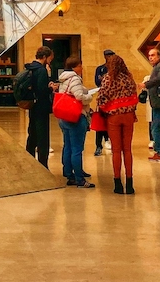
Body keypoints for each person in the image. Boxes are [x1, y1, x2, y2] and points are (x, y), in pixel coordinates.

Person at [96, 53, 140, 194]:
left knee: (116, 150)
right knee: (127, 150)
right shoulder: (129, 78)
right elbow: (134, 95)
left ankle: (117, 184)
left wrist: (105, 109)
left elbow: (101, 98)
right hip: (128, 115)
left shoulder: (108, 78)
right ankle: (130, 183)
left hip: (113, 117)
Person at [55, 54, 96, 188]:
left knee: (67, 146)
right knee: (77, 148)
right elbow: (79, 96)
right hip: (76, 116)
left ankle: (68, 173)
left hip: (64, 116)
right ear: (74, 67)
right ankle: (79, 179)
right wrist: (89, 97)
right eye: (79, 65)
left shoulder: (63, 79)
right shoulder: (75, 80)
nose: (82, 67)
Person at [16, 46, 55, 168]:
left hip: (32, 105)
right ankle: (43, 165)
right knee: (43, 138)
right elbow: (42, 90)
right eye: (49, 59)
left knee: (32, 134)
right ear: (44, 57)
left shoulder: (30, 67)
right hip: (41, 107)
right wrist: (51, 87)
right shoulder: (41, 70)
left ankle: (29, 162)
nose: (50, 62)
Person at [91, 49, 114, 156]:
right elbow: (97, 81)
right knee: (100, 122)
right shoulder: (100, 68)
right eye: (107, 56)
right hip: (102, 99)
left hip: (113, 99)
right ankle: (98, 146)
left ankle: (109, 140)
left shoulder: (115, 69)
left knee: (111, 122)